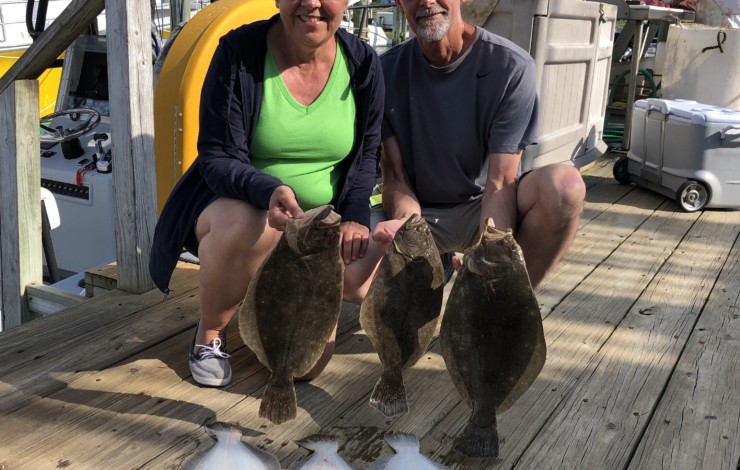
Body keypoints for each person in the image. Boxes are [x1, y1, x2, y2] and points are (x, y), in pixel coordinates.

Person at [150, 0, 396, 388]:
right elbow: (216, 156)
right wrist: (268, 189)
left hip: (320, 224)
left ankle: (258, 304)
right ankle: (211, 332)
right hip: (244, 207)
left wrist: (353, 218)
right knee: (250, 222)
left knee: (304, 367)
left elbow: (367, 157)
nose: (312, 4)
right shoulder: (239, 52)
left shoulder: (363, 62)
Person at [375, 0, 585, 288]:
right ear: (399, 3)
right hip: (420, 211)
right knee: (355, 267)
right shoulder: (383, 72)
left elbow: (501, 180)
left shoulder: (510, 65)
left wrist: (490, 255)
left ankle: (503, 303)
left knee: (565, 188)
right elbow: (395, 176)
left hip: (484, 203)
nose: (425, 1)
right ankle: (438, 266)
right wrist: (411, 235)